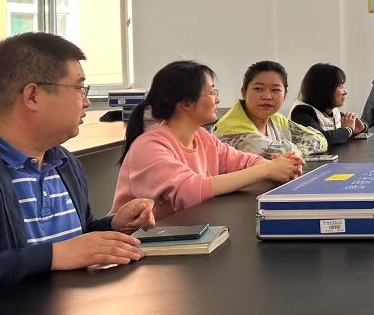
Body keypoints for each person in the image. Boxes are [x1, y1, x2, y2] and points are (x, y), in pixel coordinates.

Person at [0, 33, 155, 301]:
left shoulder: (63, 162)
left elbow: (73, 243)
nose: (86, 102)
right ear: (32, 96)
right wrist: (49, 256)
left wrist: (114, 226)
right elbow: (56, 255)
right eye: (79, 89)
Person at [113, 60, 304, 221]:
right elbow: (189, 190)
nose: (217, 99)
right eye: (212, 92)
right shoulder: (149, 146)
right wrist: (267, 170)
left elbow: (244, 161)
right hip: (135, 245)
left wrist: (277, 167)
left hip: (186, 234)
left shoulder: (202, 137)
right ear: (187, 102)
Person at [213, 60, 327, 158]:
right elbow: (276, 154)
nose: (267, 96)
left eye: (275, 90)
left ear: (284, 95)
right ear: (244, 92)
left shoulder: (275, 118)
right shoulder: (230, 128)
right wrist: (293, 149)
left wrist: (295, 150)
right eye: (258, 88)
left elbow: (318, 138)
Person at [291, 63, 367, 146]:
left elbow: (352, 127)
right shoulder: (301, 112)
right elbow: (321, 139)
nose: (345, 92)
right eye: (340, 86)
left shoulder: (333, 112)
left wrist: (362, 128)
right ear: (323, 89)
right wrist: (348, 129)